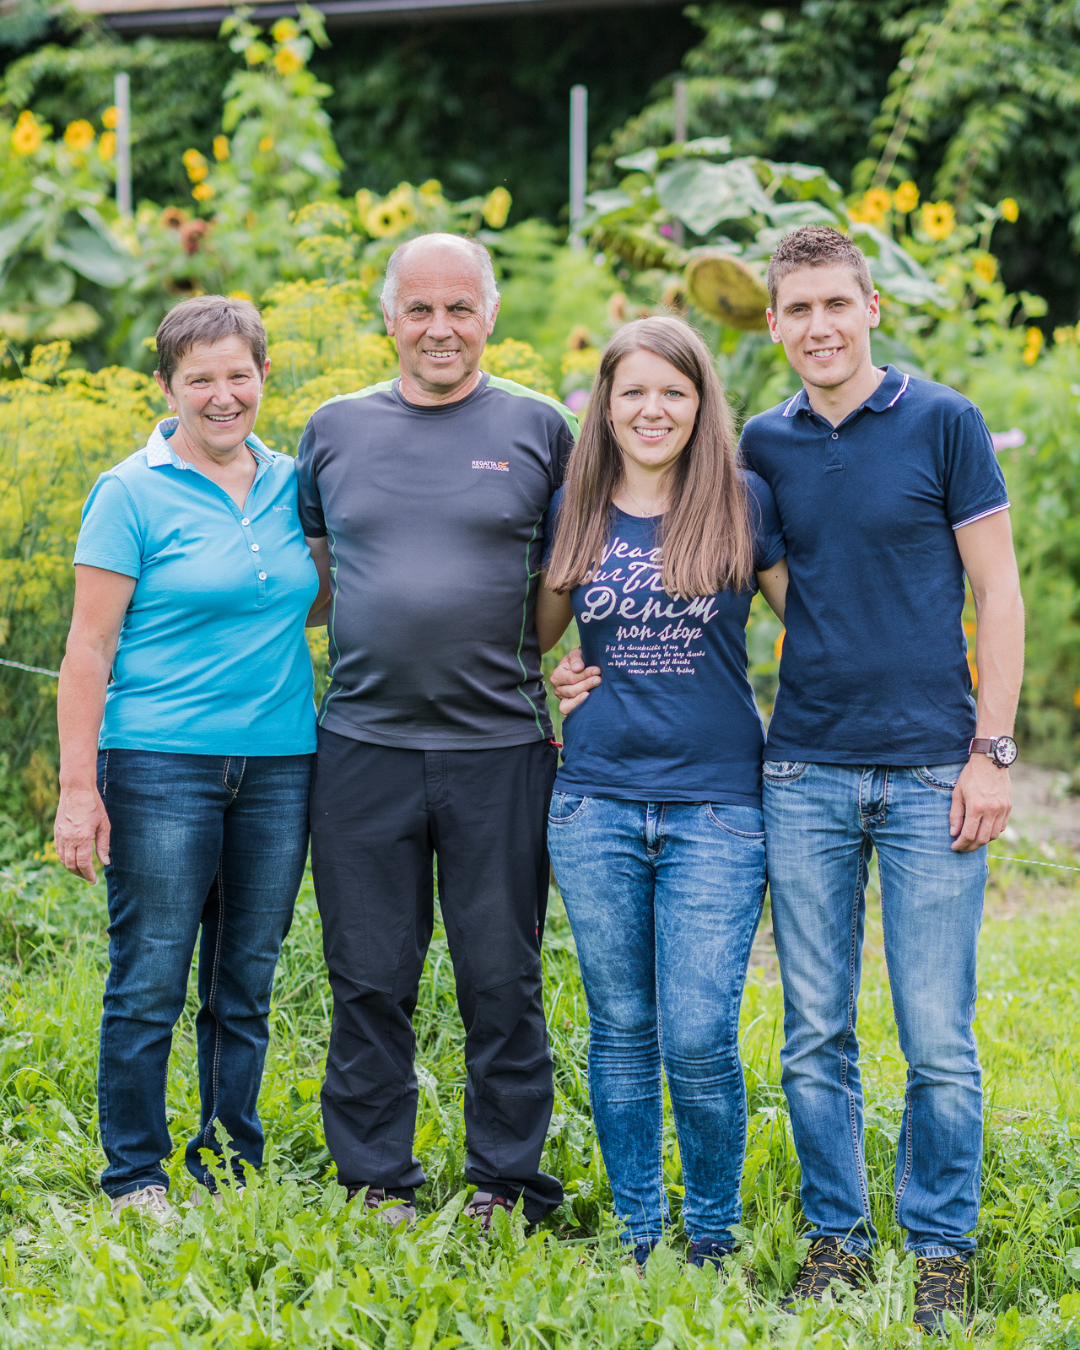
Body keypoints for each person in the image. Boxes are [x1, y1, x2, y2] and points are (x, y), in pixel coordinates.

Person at [552, 226, 1024, 1330]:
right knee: (814, 1029)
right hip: (801, 768)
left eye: (835, 305)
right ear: (770, 325)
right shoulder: (758, 448)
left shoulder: (946, 424)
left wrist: (990, 750)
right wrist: (592, 667)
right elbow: (714, 583)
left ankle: (942, 1243)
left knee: (936, 1035)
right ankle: (836, 1238)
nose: (818, 326)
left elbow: (998, 592)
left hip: (928, 770)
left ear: (871, 310)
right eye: (796, 310)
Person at [297, 232, 576, 1230]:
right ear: (387, 319)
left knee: (501, 976)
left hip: (500, 749)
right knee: (368, 976)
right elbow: (311, 585)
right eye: (419, 308)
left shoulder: (542, 429)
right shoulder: (331, 431)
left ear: (490, 315)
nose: (440, 328)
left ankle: (507, 1182)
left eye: (460, 307)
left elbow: (571, 580)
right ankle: (377, 1180)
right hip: (362, 749)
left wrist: (572, 674)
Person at [54, 295, 324, 1222]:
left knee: (245, 977)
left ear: (262, 377)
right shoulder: (129, 491)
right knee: (151, 978)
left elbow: (318, 594)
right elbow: (88, 649)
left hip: (283, 765)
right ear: (167, 386)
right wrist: (77, 790)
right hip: (160, 764)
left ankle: (229, 1157)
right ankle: (136, 1174)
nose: (222, 395)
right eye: (200, 378)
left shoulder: (295, 481)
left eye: (238, 375)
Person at [537, 316, 787, 1267]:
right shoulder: (577, 504)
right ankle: (642, 1233)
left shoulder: (741, 499)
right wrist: (557, 677)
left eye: (674, 393)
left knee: (697, 1034)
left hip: (718, 806)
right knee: (623, 1032)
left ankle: (712, 1234)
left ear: (701, 403)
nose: (653, 410)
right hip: (594, 799)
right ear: (605, 403)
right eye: (633, 391)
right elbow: (538, 632)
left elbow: (810, 627)